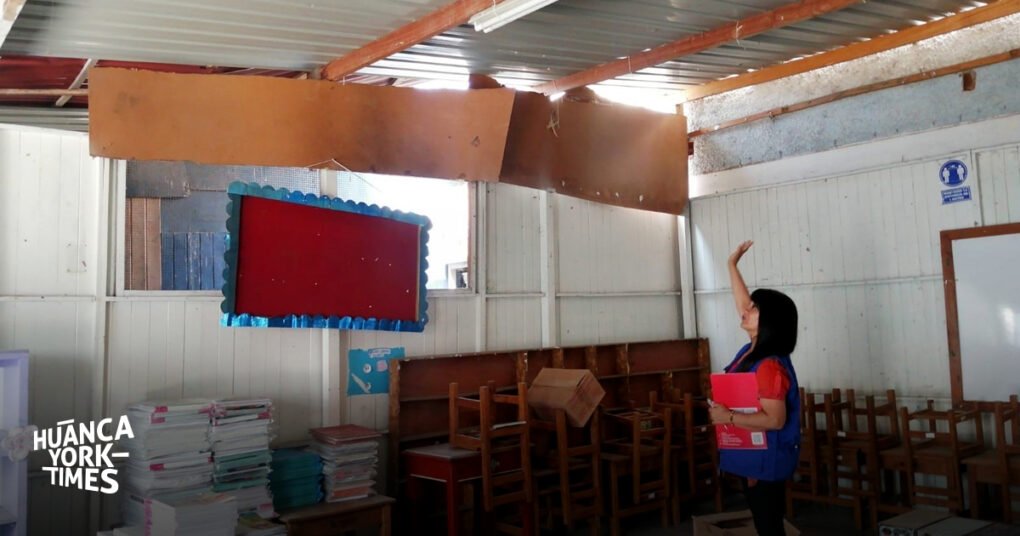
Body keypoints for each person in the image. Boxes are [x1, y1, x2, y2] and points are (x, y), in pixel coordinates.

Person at [708, 240, 801, 536]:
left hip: (767, 459)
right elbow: (742, 305)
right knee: (765, 522)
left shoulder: (769, 365)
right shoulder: (752, 350)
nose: (745, 310)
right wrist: (731, 265)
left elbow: (775, 419)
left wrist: (727, 417)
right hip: (754, 454)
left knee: (768, 525)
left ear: (769, 322)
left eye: (754, 309)